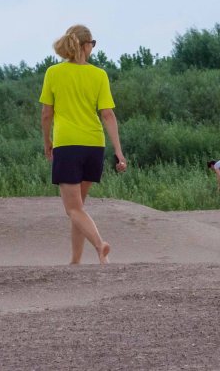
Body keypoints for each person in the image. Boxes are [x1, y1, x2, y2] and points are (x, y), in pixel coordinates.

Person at [40, 24, 127, 265]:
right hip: (93, 146)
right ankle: (76, 261)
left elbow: (47, 114)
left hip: (68, 145)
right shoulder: (99, 75)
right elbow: (108, 115)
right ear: (85, 45)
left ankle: (100, 245)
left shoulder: (53, 73)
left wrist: (47, 141)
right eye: (93, 44)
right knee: (79, 209)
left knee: (73, 209)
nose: (93, 48)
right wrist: (118, 152)